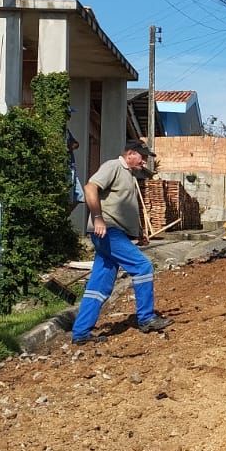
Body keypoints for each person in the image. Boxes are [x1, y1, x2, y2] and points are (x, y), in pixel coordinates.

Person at [71, 140, 171, 344]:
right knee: (143, 267)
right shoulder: (114, 166)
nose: (144, 162)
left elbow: (124, 208)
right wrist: (98, 218)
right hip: (108, 231)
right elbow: (90, 188)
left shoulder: (130, 176)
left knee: (99, 285)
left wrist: (140, 232)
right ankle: (146, 318)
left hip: (114, 233)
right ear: (130, 154)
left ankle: (80, 333)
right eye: (142, 157)